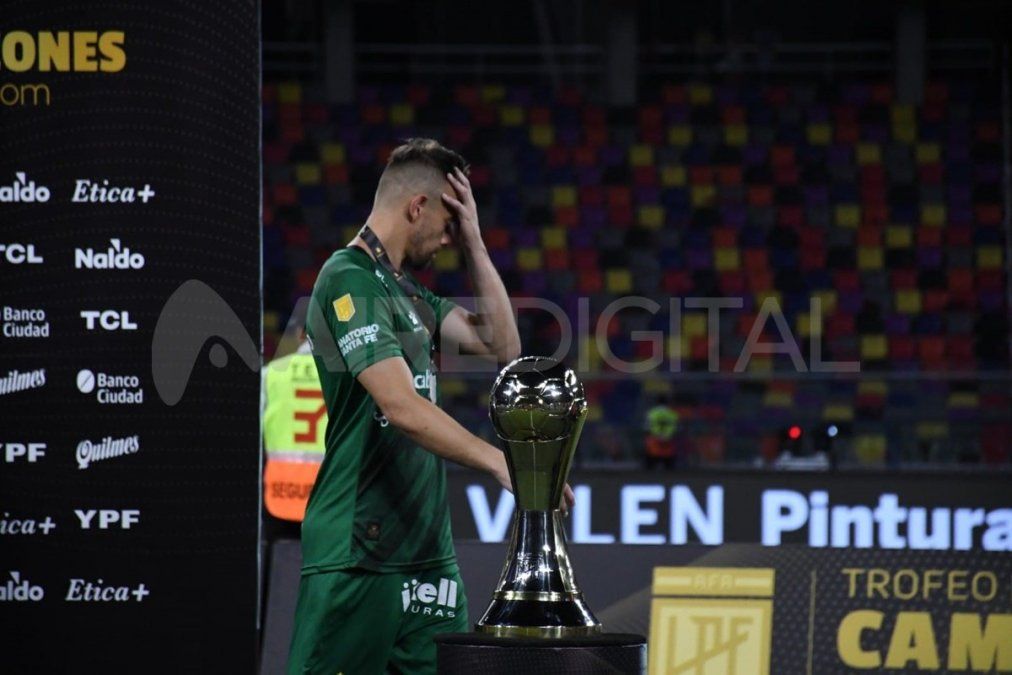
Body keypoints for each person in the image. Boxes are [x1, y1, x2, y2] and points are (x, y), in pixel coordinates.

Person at [288, 139, 571, 675]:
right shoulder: (347, 279)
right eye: (447, 224)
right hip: (358, 551)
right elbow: (401, 406)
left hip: (428, 554)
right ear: (417, 207)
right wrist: (500, 462)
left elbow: (503, 348)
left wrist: (476, 246)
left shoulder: (409, 294)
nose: (448, 239)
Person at [262, 304, 327, 526]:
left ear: (301, 333)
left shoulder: (270, 373)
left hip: (280, 491)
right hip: (329, 494)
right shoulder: (348, 376)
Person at [644, 395, 679, 470]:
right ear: (667, 403)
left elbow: (647, 427)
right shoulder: (672, 414)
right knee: (669, 467)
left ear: (657, 403)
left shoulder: (652, 413)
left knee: (651, 465)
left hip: (654, 440)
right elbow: (676, 428)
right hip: (668, 440)